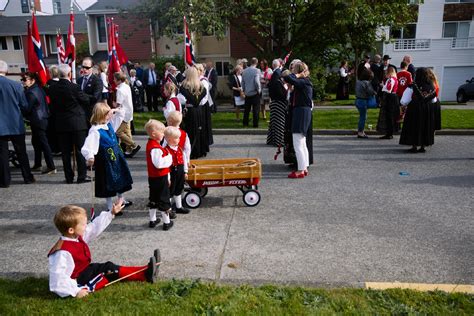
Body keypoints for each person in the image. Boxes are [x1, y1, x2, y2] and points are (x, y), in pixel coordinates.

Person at [48, 203, 159, 298]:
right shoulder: (62, 252)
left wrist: (111, 213)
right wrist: (76, 292)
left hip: (85, 270)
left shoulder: (75, 236)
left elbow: (94, 227)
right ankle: (145, 274)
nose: (86, 226)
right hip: (77, 282)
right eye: (83, 224)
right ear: (71, 230)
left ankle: (146, 270)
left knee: (109, 266)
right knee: (108, 272)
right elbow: (57, 279)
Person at [47, 64, 90, 184]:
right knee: (80, 150)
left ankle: (69, 177)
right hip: (77, 123)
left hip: (61, 123)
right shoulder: (74, 87)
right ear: (70, 74)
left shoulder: (52, 88)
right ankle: (82, 176)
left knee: (65, 153)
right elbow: (85, 100)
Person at [0, 60, 35, 187]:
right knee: (21, 152)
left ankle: (4, 180)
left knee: (2, 154)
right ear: (7, 71)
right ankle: (27, 177)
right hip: (15, 122)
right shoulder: (16, 85)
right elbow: (24, 105)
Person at [282, 62, 313, 179]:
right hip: (303, 112)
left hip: (301, 112)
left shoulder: (303, 81)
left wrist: (298, 75)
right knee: (302, 143)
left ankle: (300, 170)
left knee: (298, 143)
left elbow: (286, 77)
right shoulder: (305, 82)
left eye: (294, 70)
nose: (292, 72)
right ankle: (304, 167)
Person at [22, 72, 56, 174]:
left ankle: (51, 166)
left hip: (37, 120)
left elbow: (27, 108)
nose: (23, 82)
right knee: (36, 142)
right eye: (22, 79)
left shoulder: (31, 92)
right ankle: (38, 164)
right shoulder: (38, 88)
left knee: (43, 144)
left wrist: (21, 107)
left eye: (25, 80)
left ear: (32, 80)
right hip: (42, 118)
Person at [399, 67, 438, 153]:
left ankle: (414, 146)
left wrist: (403, 104)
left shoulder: (413, 85)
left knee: (414, 126)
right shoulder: (432, 85)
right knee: (425, 126)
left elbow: (405, 100)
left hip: (415, 107)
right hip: (428, 108)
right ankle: (423, 146)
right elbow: (434, 100)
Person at [144, 119, 174, 230]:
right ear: (154, 134)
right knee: (163, 199)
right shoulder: (155, 148)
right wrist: (169, 158)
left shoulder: (152, 144)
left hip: (153, 177)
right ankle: (167, 222)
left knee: (154, 198)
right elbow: (159, 164)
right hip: (160, 177)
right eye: (161, 132)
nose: (163, 134)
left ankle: (152, 220)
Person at [177, 67, 208, 159]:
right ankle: (200, 150)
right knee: (199, 129)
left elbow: (182, 99)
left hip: (190, 111)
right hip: (199, 110)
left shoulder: (184, 86)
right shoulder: (201, 86)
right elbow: (202, 97)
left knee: (190, 130)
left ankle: (192, 151)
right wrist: (196, 101)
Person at [164, 125, 191, 215]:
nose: (179, 140)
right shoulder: (166, 150)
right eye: (176, 138)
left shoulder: (179, 149)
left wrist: (185, 171)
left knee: (179, 189)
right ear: (169, 140)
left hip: (179, 170)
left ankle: (179, 206)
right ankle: (169, 209)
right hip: (171, 172)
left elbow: (184, 160)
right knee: (171, 190)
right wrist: (167, 177)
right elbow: (165, 166)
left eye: (179, 138)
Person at [113, 72, 140, 158]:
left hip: (124, 114)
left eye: (114, 79)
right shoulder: (126, 86)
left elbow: (119, 104)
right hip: (129, 111)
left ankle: (133, 145)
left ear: (119, 80)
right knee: (127, 132)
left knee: (118, 132)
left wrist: (114, 105)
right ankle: (129, 150)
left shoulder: (120, 90)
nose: (113, 80)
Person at [267, 59, 287, 147]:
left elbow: (272, 86)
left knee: (274, 122)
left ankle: (273, 140)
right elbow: (277, 88)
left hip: (275, 100)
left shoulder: (276, 73)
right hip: (279, 101)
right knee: (279, 122)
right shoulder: (277, 73)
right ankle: (279, 141)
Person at [77, 57, 103, 121]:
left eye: (87, 68)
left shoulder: (97, 81)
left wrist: (81, 95)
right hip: (81, 112)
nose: (84, 69)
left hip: (93, 112)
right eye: (83, 67)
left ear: (92, 68)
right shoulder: (79, 80)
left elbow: (95, 98)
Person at [377, 66, 399, 139]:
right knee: (392, 116)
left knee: (389, 116)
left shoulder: (391, 79)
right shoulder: (395, 79)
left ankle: (389, 133)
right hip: (394, 97)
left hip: (390, 98)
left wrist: (382, 86)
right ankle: (390, 132)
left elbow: (389, 89)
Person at [355, 68, 377, 138]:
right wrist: (375, 93)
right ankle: (360, 132)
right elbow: (370, 92)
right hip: (363, 101)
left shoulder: (358, 81)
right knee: (363, 117)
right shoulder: (366, 83)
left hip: (357, 100)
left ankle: (361, 131)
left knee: (362, 116)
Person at [44, 65, 61, 156]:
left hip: (52, 108)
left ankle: (55, 148)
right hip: (62, 108)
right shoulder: (62, 83)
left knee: (52, 129)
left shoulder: (49, 83)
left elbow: (45, 92)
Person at [241, 57, 261, 128]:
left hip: (247, 93)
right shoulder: (257, 70)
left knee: (246, 110)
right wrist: (259, 90)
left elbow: (242, 82)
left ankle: (245, 123)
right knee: (256, 110)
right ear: (256, 63)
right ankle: (255, 124)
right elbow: (257, 82)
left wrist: (244, 90)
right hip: (255, 93)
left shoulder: (244, 71)